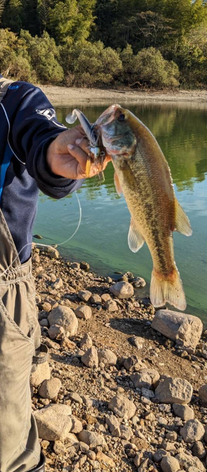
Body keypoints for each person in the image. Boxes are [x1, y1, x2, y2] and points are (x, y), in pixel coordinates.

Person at [0, 76, 110, 472]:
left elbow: (42, 138)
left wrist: (57, 154)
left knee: (7, 442)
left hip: (3, 289)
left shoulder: (15, 99)